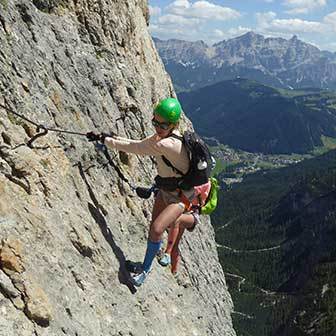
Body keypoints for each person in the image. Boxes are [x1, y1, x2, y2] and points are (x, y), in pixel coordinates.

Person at [86, 98, 201, 287]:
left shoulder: (168, 145)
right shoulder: (166, 137)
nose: (157, 127)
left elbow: (137, 148)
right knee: (153, 230)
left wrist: (106, 141)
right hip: (166, 190)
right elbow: (139, 142)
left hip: (179, 198)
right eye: (155, 122)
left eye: (162, 124)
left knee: (157, 229)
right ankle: (143, 264)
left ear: (174, 124)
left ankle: (145, 271)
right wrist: (106, 137)